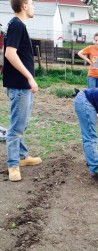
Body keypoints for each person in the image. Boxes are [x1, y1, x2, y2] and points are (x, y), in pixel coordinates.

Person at [3, 0, 42, 182]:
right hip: (19, 85)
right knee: (16, 127)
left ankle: (23, 156)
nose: (34, 7)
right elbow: (10, 53)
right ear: (24, 6)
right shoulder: (17, 25)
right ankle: (13, 165)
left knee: (22, 124)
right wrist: (29, 77)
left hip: (22, 86)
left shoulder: (17, 25)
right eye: (32, 4)